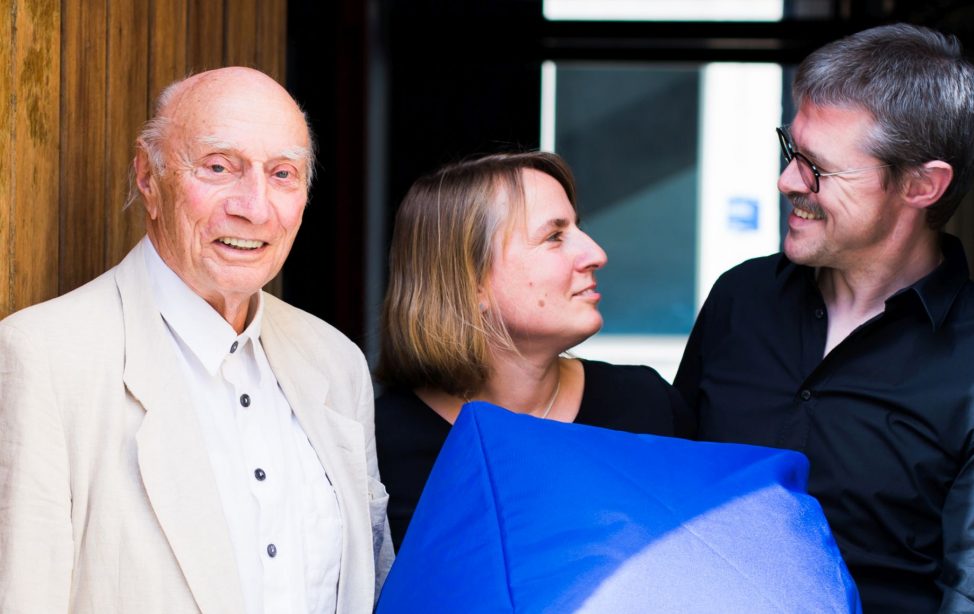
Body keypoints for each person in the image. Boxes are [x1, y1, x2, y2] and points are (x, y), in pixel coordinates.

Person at [0, 67, 392, 613]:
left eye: (282, 174)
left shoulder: (336, 362)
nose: (253, 207)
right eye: (218, 167)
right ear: (147, 177)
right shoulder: (41, 357)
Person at [674, 24, 974, 613]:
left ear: (922, 185)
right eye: (791, 152)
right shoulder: (742, 297)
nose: (788, 182)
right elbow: (668, 488)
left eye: (819, 169)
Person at [374, 151, 695, 549]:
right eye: (554, 236)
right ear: (471, 282)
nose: (596, 254)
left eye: (578, 227)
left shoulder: (646, 404)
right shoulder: (378, 449)